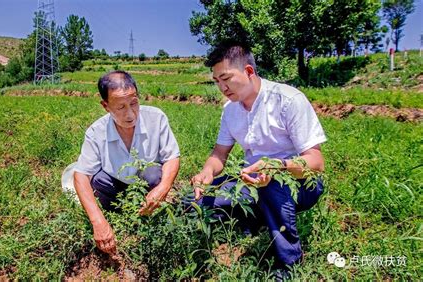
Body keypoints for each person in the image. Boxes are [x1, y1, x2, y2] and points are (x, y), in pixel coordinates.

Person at [190, 43, 327, 270]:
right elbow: (219, 154)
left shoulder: (288, 100)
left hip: (298, 183)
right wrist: (207, 171)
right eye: (217, 82)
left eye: (226, 78)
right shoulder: (230, 110)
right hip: (252, 181)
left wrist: (276, 167)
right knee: (194, 199)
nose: (222, 87)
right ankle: (253, 219)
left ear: (249, 71)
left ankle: (288, 263)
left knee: (273, 186)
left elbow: (316, 162)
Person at [73, 70, 180, 255]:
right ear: (105, 106)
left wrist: (163, 188)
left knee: (154, 173)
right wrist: (97, 221)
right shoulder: (96, 132)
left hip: (147, 185)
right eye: (120, 107)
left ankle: (150, 216)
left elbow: (172, 156)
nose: (130, 113)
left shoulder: (156, 118)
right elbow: (81, 175)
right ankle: (115, 218)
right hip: (114, 187)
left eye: (134, 103)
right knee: (98, 180)